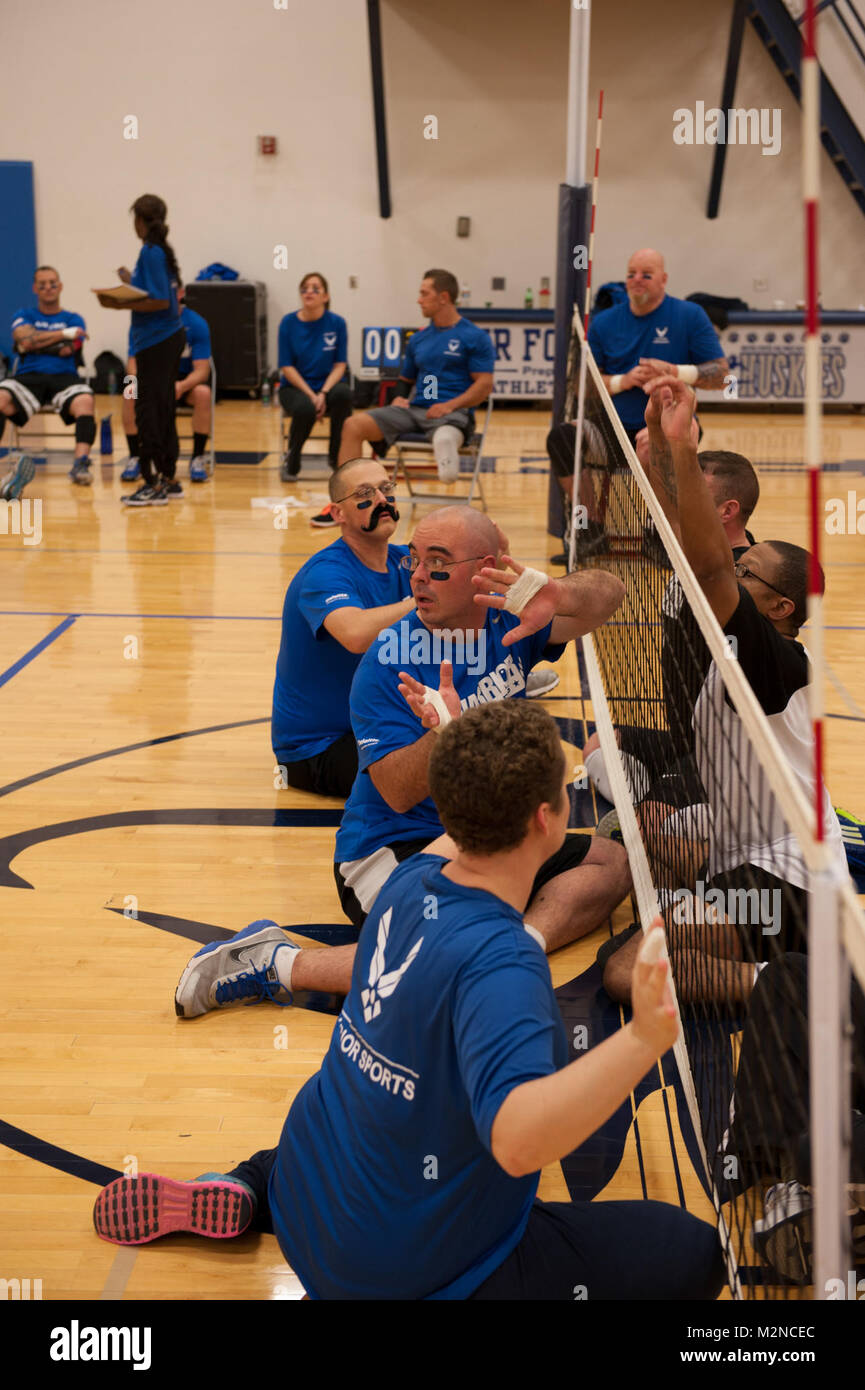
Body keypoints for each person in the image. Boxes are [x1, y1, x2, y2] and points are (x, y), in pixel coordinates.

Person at [95, 701, 725, 1303]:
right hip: (395, 1274)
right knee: (691, 1252)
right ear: (547, 818)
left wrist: (460, 739)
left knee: (350, 1128)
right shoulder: (506, 967)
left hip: (309, 1194)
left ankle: (247, 1185)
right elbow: (518, 1143)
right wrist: (644, 1036)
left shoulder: (408, 882)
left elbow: (461, 822)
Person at [174, 505, 630, 1018]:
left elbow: (610, 595)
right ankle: (277, 962)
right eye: (413, 561)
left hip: (481, 840)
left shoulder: (510, 619)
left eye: (437, 564)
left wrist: (557, 593)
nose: (416, 576)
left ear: (487, 567)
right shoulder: (388, 661)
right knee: (436, 962)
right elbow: (395, 790)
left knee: (613, 863)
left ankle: (518, 946)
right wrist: (446, 737)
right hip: (391, 849)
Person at [598, 375, 847, 1007]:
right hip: (747, 847)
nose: (735, 573)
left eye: (749, 572)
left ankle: (792, 991)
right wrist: (655, 454)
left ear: (781, 606)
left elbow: (708, 565)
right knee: (638, 829)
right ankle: (726, 925)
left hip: (793, 881)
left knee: (627, 972)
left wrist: (680, 443)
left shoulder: (777, 661)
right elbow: (686, 547)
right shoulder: (733, 649)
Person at [272, 457, 414, 799]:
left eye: (386, 489)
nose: (381, 500)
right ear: (338, 514)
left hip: (376, 727)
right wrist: (425, 600)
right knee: (450, 773)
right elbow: (356, 635)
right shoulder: (325, 573)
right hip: (316, 751)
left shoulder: (404, 562)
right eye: (365, 493)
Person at [324, 269, 493, 531]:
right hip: (416, 410)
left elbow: (484, 384)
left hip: (452, 412)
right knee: (352, 425)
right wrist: (400, 397)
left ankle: (446, 446)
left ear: (444, 297)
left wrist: (450, 405)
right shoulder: (420, 338)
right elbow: (405, 380)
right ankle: (344, 505)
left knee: (446, 433)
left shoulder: (473, 336)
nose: (419, 299)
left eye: (424, 293)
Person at [587, 248, 729, 443]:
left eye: (646, 274)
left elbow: (722, 376)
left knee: (649, 448)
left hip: (672, 423)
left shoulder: (690, 315)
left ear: (663, 279)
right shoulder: (603, 322)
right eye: (631, 274)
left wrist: (673, 371)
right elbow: (583, 385)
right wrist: (623, 381)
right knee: (563, 439)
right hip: (611, 426)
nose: (637, 279)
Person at [96, 194, 184, 507]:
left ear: (141, 221)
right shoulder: (161, 251)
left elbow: (159, 301)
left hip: (155, 341)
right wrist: (130, 282)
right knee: (163, 410)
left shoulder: (151, 251)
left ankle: (153, 483)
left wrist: (118, 301)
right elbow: (158, 293)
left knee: (148, 412)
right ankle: (169, 479)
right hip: (166, 338)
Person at [0, 266, 95, 485]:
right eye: (42, 284)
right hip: (28, 376)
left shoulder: (74, 318)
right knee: (1, 397)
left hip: (64, 376)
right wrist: (61, 335)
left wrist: (35, 342)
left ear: (60, 286)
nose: (48, 288)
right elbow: (23, 341)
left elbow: (68, 349)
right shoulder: (24, 314)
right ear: (35, 288)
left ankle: (80, 464)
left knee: (85, 401)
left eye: (53, 283)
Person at [120, 285, 213, 485]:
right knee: (129, 390)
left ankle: (197, 457)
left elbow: (202, 371)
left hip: (182, 382)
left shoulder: (195, 323)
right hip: (152, 380)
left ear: (181, 294)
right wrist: (147, 385)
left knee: (204, 393)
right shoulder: (144, 322)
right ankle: (135, 456)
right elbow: (132, 364)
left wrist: (180, 386)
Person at [278, 272, 351, 483]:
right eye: (305, 288)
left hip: (326, 385)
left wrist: (324, 392)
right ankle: (292, 461)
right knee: (304, 408)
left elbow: (340, 365)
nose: (309, 291)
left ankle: (336, 458)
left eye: (315, 288)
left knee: (343, 394)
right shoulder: (288, 323)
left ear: (325, 296)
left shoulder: (337, 323)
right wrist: (312, 395)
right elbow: (286, 366)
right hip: (295, 388)